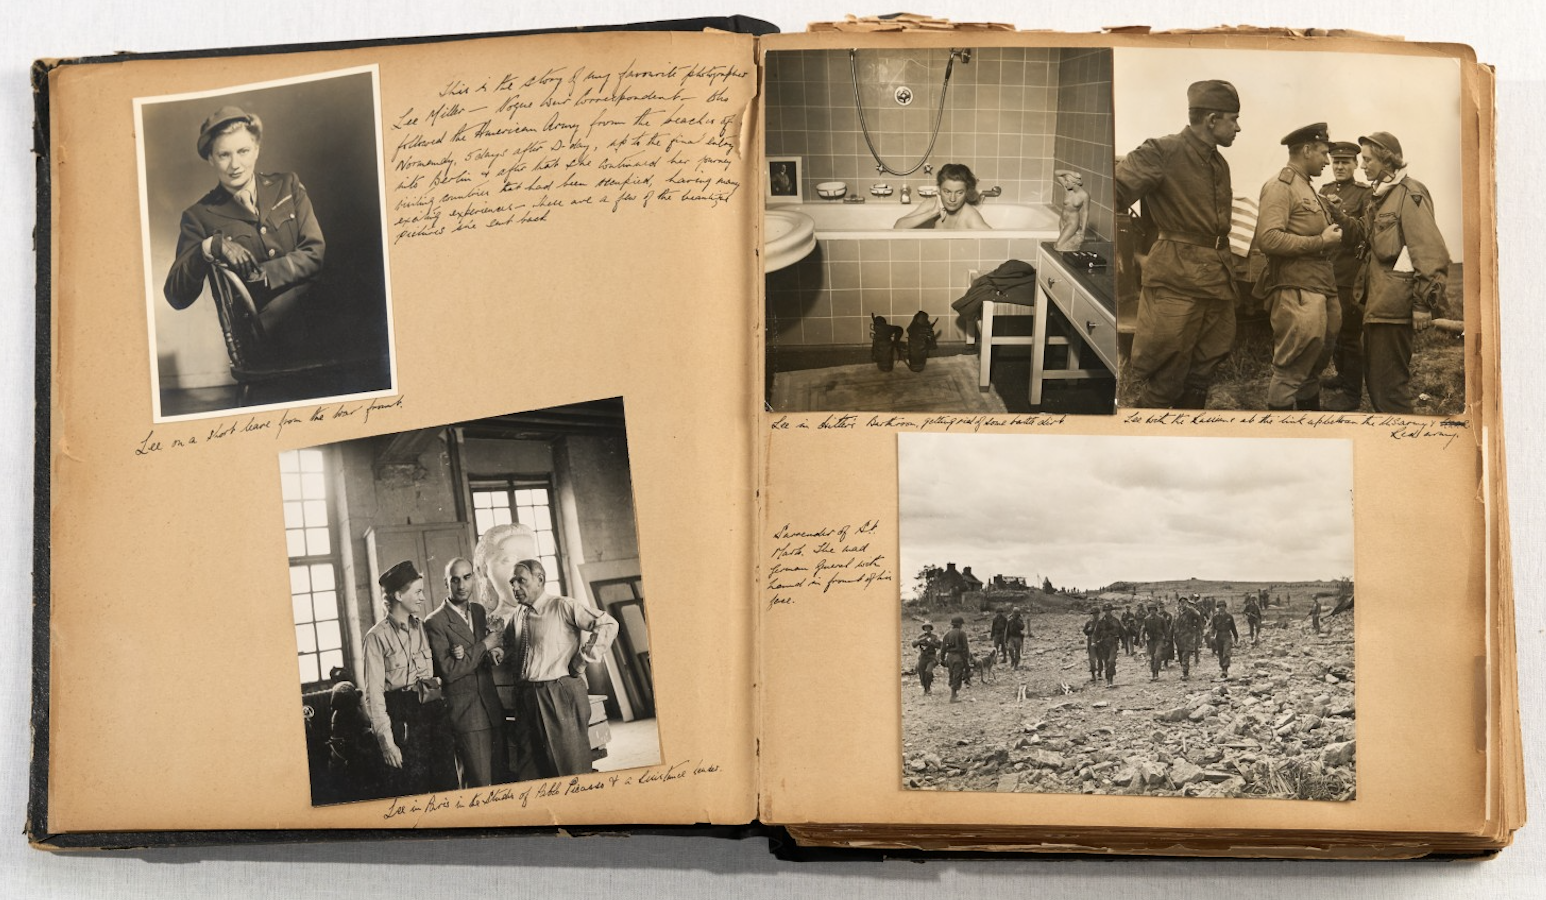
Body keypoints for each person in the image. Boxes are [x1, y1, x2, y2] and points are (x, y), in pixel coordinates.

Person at [1116, 80, 1242, 409]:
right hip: (1176, 280)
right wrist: (1135, 254)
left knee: (1202, 372)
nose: (1238, 127)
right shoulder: (1162, 151)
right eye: (1233, 118)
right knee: (1166, 379)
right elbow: (1112, 194)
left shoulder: (1219, 163)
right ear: (1212, 119)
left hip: (1216, 280)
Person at [162, 106, 326, 353]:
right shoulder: (199, 216)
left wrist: (264, 275)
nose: (235, 165)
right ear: (210, 158)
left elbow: (315, 253)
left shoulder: (287, 185)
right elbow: (176, 296)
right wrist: (208, 247)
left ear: (257, 150)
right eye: (224, 155)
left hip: (321, 317)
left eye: (243, 151)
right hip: (265, 338)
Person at [1252, 123, 1352, 411]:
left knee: (1313, 363)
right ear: (1306, 150)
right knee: (1293, 365)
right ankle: (1282, 435)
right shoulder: (1280, 186)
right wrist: (1320, 240)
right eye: (1323, 153)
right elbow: (1268, 239)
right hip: (1295, 287)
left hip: (1320, 283)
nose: (1327, 160)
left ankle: (1310, 429)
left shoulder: (1307, 186)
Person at [1350, 131, 1451, 414]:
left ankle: (1406, 452)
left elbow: (1430, 253)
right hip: (1379, 305)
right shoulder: (1381, 196)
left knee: (1389, 391)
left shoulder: (1409, 194)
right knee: (1378, 385)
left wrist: (1421, 304)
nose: (1362, 166)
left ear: (1386, 161)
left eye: (1367, 160)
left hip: (1394, 309)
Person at [499, 558, 619, 780]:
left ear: (540, 579)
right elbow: (506, 645)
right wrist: (498, 651)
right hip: (526, 697)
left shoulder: (562, 606)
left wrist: (583, 659)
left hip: (559, 693)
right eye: (512, 582)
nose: (515, 587)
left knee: (569, 766)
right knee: (529, 770)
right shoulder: (518, 614)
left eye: (521, 581)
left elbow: (608, 624)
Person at [361, 560, 458, 797]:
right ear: (398, 595)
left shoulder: (424, 628)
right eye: (417, 592)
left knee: (447, 789)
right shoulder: (376, 638)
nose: (423, 598)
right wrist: (387, 742)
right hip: (404, 720)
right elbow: (374, 696)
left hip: (434, 714)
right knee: (415, 792)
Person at [423, 557, 508, 789]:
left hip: (492, 709)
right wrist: (484, 646)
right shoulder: (434, 622)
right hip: (467, 717)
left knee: (502, 783)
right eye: (455, 580)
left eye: (467, 577)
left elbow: (480, 657)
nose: (462, 585)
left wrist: (492, 654)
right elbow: (449, 672)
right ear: (446, 583)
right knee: (479, 787)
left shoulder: (479, 612)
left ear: (474, 578)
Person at [1319, 141, 1376, 410]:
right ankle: (1341, 376)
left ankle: (1352, 393)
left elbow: (1360, 234)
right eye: (1335, 162)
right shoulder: (1324, 190)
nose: (1339, 166)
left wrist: (1337, 211)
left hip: (1350, 274)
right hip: (1327, 271)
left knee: (1350, 334)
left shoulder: (1366, 194)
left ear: (1355, 165)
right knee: (1334, 331)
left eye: (1345, 162)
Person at [894, 163, 990, 231]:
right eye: (947, 192)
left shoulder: (970, 217)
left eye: (959, 193)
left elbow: (998, 239)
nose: (952, 199)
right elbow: (898, 227)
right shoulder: (931, 204)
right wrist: (931, 213)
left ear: (966, 192)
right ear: (939, 190)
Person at [941, 616, 971, 703]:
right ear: (959, 624)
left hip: (949, 657)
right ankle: (953, 696)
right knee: (957, 675)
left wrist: (942, 659)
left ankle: (953, 693)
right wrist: (967, 659)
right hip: (958, 656)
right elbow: (966, 648)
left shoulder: (947, 634)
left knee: (951, 674)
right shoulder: (962, 633)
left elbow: (943, 648)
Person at [1173, 600, 1204, 681]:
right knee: (1180, 654)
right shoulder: (1176, 613)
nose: (1183, 604)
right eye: (1181, 603)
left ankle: (1185, 673)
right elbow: (1173, 624)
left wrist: (1198, 630)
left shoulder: (1191, 612)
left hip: (1188, 637)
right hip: (1178, 637)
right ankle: (1183, 668)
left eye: (1184, 603)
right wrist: (1169, 636)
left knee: (1185, 655)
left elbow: (1198, 618)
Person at [1094, 604, 1123, 687]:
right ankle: (1109, 680)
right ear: (1104, 611)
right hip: (1104, 645)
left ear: (1111, 611)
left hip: (1113, 643)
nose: (1108, 612)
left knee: (1111, 661)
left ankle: (1110, 680)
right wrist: (1094, 642)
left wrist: (1124, 642)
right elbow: (1096, 634)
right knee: (1106, 663)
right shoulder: (1100, 622)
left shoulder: (1116, 621)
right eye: (1106, 610)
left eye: (1109, 610)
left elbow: (1122, 632)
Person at [1210, 599, 1240, 680]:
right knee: (1220, 653)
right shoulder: (1215, 617)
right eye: (1219, 606)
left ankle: (1225, 669)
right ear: (1217, 608)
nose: (1221, 608)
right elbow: (1212, 628)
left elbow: (1233, 628)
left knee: (1226, 652)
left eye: (1222, 606)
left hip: (1227, 635)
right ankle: (1222, 667)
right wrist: (1212, 636)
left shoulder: (1229, 617)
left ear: (1225, 607)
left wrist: (1236, 637)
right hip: (1219, 636)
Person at [1140, 603, 1169, 681]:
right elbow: (1143, 629)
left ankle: (1156, 672)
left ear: (1156, 610)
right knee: (1152, 657)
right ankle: (1154, 674)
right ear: (1149, 611)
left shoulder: (1161, 619)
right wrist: (1141, 638)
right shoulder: (1146, 619)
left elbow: (1166, 630)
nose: (1152, 611)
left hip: (1159, 640)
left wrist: (1167, 640)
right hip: (1151, 641)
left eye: (1153, 610)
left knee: (1158, 655)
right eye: (1150, 610)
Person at [912, 623, 942, 695]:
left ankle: (928, 688)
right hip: (923, 657)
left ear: (930, 629)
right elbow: (913, 644)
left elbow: (940, 646)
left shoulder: (934, 637)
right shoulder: (920, 637)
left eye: (928, 628)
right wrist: (920, 640)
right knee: (921, 672)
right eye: (925, 628)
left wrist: (931, 643)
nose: (927, 629)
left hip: (931, 657)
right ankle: (925, 689)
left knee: (928, 671)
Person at [1081, 609, 1102, 684]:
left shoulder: (1102, 622)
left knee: (1100, 658)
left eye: (1096, 614)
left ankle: (1099, 673)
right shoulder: (1089, 622)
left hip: (1100, 641)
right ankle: (1093, 675)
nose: (1095, 615)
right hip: (1091, 641)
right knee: (1092, 659)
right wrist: (1089, 630)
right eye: (1093, 614)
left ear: (1098, 614)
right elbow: (1085, 631)